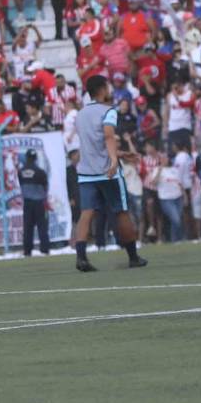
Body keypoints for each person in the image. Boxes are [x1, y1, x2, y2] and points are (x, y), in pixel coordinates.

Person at [72, 74, 148, 272]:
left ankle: (81, 257)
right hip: (108, 172)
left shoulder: (80, 114)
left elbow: (93, 144)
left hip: (86, 172)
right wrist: (115, 159)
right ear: (102, 90)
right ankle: (133, 256)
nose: (110, 90)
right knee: (121, 211)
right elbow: (107, 136)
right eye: (108, 87)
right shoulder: (109, 111)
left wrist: (121, 153)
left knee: (86, 213)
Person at [18, 149, 51, 257]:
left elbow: (21, 184)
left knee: (28, 227)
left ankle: (27, 251)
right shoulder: (40, 172)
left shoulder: (20, 172)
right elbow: (45, 187)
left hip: (27, 202)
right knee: (42, 226)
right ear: (35, 158)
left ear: (26, 158)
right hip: (39, 202)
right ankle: (45, 250)